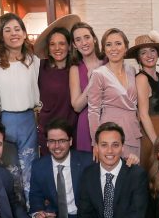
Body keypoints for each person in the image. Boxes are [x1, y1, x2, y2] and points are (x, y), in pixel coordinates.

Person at [0, 13, 40, 201]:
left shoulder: (33, 60)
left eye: (17, 29)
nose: (13, 34)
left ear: (25, 34)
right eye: (7, 30)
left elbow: (36, 93)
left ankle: (32, 211)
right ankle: (13, 213)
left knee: (30, 168)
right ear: (1, 36)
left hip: (27, 120)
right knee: (9, 171)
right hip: (3, 120)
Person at [29, 118, 93, 218]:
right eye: (52, 141)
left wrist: (129, 161)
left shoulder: (87, 161)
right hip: (55, 214)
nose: (56, 146)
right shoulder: (39, 166)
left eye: (62, 141)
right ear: (46, 143)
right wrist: (38, 211)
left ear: (70, 141)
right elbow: (35, 195)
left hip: (79, 215)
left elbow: (111, 164)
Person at [87, 28, 141, 159]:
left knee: (133, 174)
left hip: (132, 131)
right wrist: (96, 143)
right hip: (110, 135)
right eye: (108, 44)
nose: (113, 48)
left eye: (118, 43)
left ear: (126, 47)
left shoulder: (132, 70)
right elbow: (93, 111)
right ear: (104, 49)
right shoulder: (99, 74)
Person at [125, 31, 159, 169]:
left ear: (157, 54)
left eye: (152, 50)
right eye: (143, 52)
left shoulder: (158, 75)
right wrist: (156, 143)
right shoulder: (142, 78)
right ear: (138, 58)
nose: (149, 55)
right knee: (154, 171)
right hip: (152, 129)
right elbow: (143, 114)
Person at [34, 15, 80, 156]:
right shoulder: (40, 67)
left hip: (72, 132)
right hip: (48, 133)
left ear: (69, 45)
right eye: (52, 44)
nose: (57, 48)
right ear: (48, 48)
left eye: (62, 43)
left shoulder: (77, 68)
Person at [69, 21, 105, 153]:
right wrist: (92, 82)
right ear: (74, 45)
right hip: (86, 124)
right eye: (78, 40)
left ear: (94, 39)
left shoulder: (107, 62)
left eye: (87, 37)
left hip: (109, 118)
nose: (84, 42)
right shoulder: (75, 69)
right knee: (89, 169)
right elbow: (77, 106)